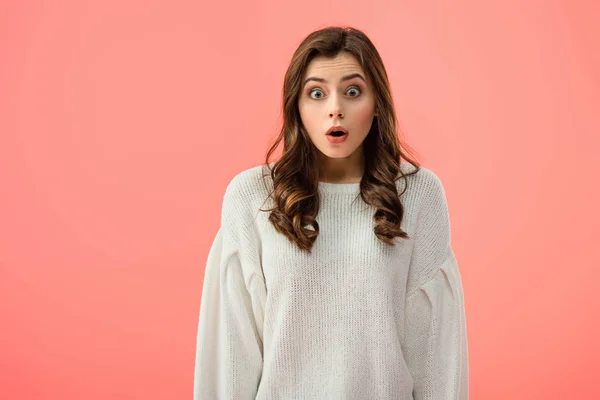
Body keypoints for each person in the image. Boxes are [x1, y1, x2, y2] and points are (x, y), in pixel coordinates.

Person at [193, 26, 468, 400]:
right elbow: (231, 355)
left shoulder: (417, 195)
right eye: (316, 93)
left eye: (353, 92)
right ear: (297, 106)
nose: (335, 108)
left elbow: (437, 357)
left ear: (377, 104)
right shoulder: (252, 197)